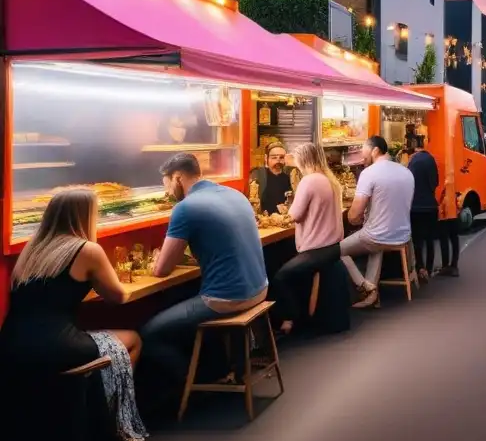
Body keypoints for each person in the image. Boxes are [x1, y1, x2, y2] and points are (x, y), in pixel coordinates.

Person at [0, 188, 147, 441]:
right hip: (56, 346)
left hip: (11, 343)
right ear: (85, 216)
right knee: (132, 339)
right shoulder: (87, 250)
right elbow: (119, 296)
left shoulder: (32, 249)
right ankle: (107, 422)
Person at [144, 154, 268, 384]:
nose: (168, 193)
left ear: (177, 178)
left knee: (149, 334)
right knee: (184, 299)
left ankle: (194, 385)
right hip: (260, 289)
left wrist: (155, 259)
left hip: (228, 298)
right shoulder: (235, 194)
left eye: (168, 184)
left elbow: (161, 270)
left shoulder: (185, 208)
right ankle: (217, 371)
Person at [271, 143, 344, 335]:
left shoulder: (309, 181)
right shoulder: (329, 179)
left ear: (303, 160)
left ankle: (291, 320)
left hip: (315, 249)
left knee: (280, 277)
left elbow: (295, 215)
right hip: (331, 247)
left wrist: (279, 216)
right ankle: (298, 317)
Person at [339, 135, 415, 308]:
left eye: (363, 151)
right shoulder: (406, 172)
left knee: (337, 251)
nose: (361, 156)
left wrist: (352, 216)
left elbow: (354, 215)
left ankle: (365, 286)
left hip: (377, 236)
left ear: (375, 150)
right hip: (403, 235)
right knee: (375, 245)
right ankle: (372, 297)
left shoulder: (369, 173)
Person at [408, 135, 439, 282]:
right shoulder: (431, 160)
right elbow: (435, 182)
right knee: (430, 240)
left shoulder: (412, 161)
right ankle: (429, 268)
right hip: (431, 206)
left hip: (415, 207)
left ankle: (420, 268)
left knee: (417, 240)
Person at [250, 142, 298, 215]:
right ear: (266, 158)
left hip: (286, 221)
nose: (278, 160)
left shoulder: (292, 175)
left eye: (281, 157)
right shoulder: (258, 175)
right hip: (264, 221)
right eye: (274, 157)